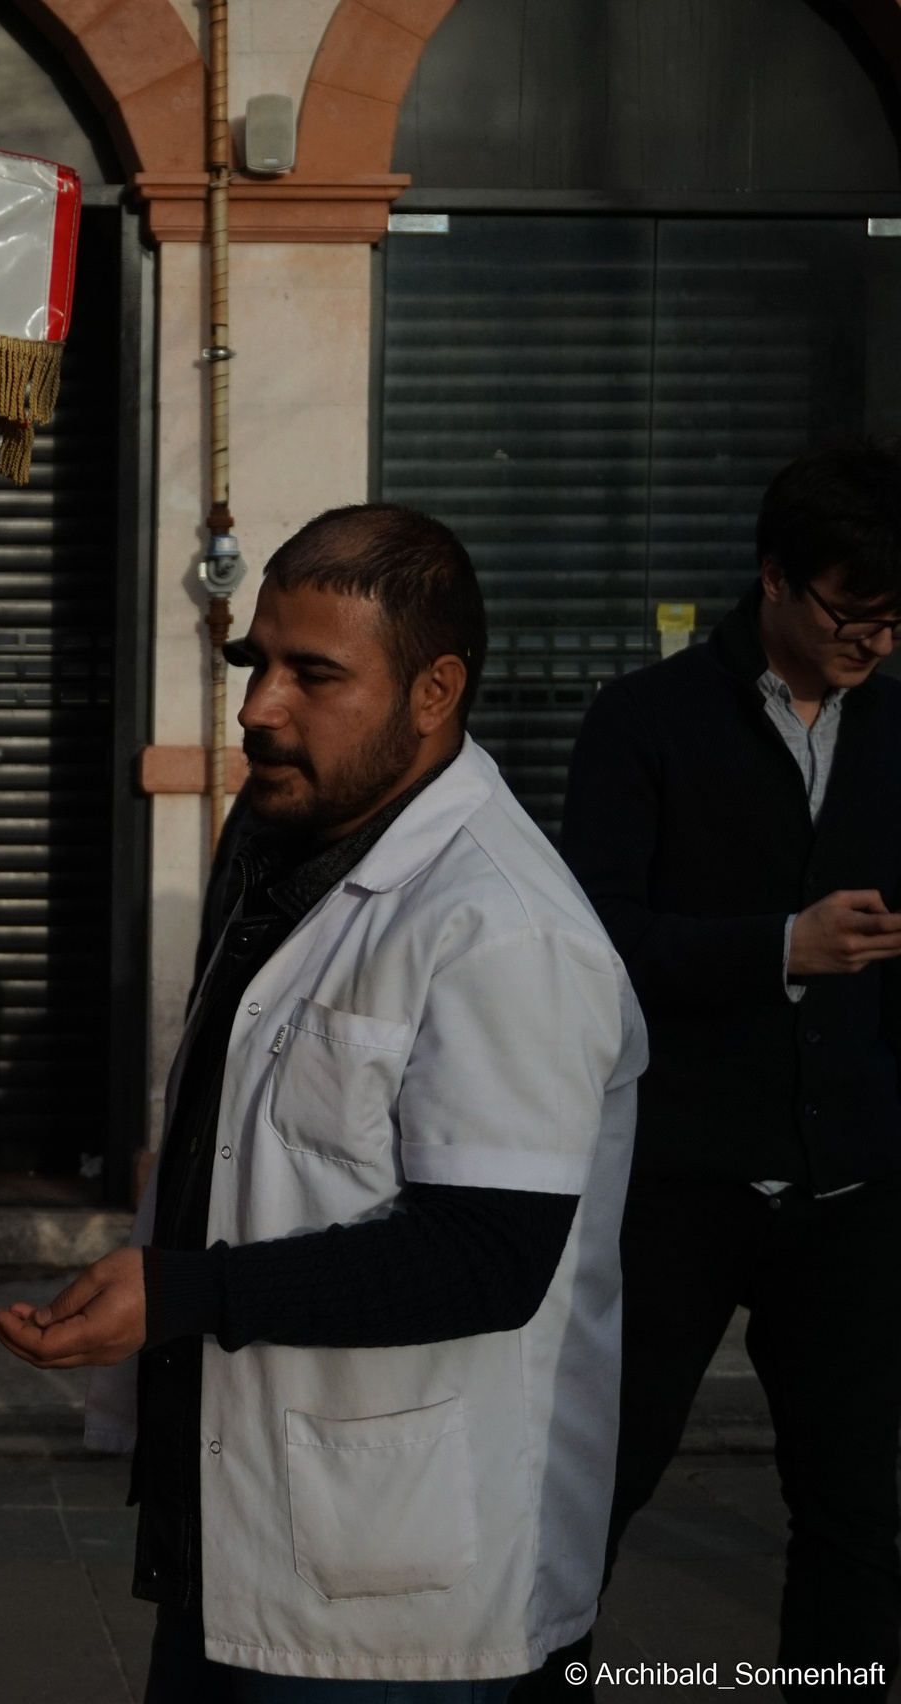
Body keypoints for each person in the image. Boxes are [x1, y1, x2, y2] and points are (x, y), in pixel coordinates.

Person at [0, 506, 645, 1698]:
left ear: (434, 690)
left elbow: (489, 1256)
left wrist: (185, 1290)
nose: (256, 708)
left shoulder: (504, 928)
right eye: (255, 665)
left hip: (399, 1598)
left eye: (312, 674)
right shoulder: (279, 841)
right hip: (234, 1537)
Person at [556, 440, 901, 1693]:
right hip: (675, 1183)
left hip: (852, 1187)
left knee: (859, 1522)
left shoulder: (893, 726)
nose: (873, 640)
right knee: (590, 1495)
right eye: (851, 613)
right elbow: (592, 940)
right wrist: (779, 949)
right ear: (771, 581)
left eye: (893, 618)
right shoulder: (643, 721)